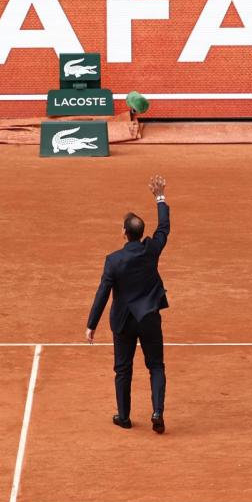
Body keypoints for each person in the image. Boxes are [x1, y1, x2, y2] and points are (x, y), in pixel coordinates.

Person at [86, 176, 171, 435]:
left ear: (124, 233)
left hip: (123, 322)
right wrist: (160, 198)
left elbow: (103, 293)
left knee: (123, 369)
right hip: (148, 318)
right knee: (155, 365)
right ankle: (157, 411)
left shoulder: (113, 261)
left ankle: (124, 417)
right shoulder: (151, 249)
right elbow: (164, 228)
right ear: (141, 233)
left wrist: (91, 325)